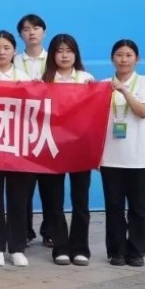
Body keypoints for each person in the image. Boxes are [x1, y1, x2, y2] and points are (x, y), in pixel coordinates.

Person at [0, 31, 35, 267]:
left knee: (18, 199)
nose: (1, 52)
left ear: (14, 51)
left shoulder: (24, 78)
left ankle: (17, 247)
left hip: (18, 147)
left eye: (6, 48)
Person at [40, 34, 96, 266]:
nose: (64, 55)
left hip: (80, 147)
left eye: (69, 51)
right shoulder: (44, 80)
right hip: (52, 146)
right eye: (59, 51)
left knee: (80, 200)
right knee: (54, 200)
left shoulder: (86, 79)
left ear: (76, 54)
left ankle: (80, 247)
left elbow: (94, 113)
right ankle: (60, 247)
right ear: (52, 55)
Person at [101, 40, 145, 268]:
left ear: (137, 59)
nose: (123, 59)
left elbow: (142, 111)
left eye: (128, 55)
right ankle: (116, 251)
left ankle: (136, 251)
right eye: (119, 55)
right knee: (113, 208)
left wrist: (124, 90)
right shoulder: (103, 85)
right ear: (112, 58)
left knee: (138, 208)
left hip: (138, 158)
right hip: (110, 157)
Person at [16, 14, 49, 245]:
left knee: (49, 185)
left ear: (43, 32)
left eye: (36, 28)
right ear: (21, 35)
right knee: (22, 186)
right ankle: (24, 231)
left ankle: (50, 231)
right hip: (20, 130)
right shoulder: (14, 61)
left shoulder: (54, 59)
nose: (32, 32)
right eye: (26, 29)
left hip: (49, 129)